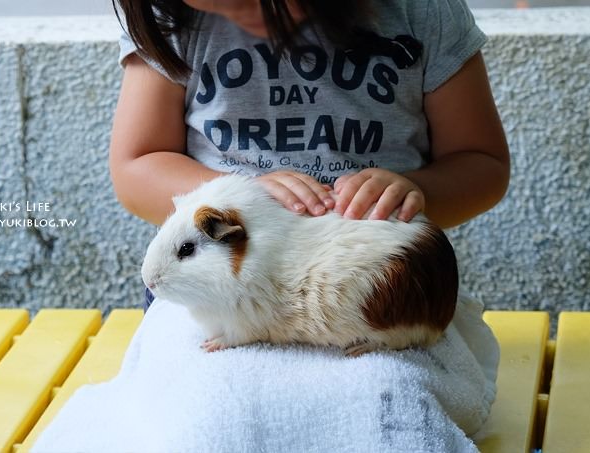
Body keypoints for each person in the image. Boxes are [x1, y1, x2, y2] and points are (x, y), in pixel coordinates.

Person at [109, 0, 507, 444]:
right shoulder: (167, 15)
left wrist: (417, 191)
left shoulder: (423, 12)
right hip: (210, 299)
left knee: (386, 408)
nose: (241, 14)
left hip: (373, 296)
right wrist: (233, 191)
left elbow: (483, 164)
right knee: (209, 416)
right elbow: (135, 164)